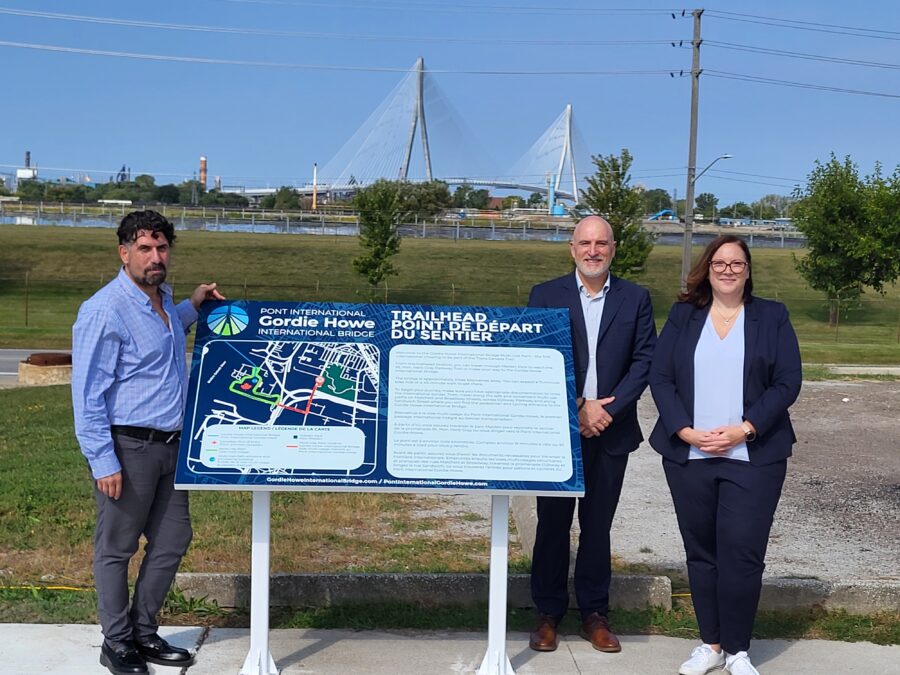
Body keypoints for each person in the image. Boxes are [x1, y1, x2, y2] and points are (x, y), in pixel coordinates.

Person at [72, 210, 224, 675]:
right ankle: (116, 643)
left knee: (174, 537)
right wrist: (103, 461)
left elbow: (159, 340)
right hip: (128, 449)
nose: (155, 257)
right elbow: (87, 392)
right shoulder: (105, 309)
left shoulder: (161, 300)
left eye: (161, 248)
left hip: (172, 448)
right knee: (116, 548)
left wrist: (193, 306)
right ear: (124, 253)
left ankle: (143, 631)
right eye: (144, 249)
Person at [649, 235, 801, 675]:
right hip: (690, 455)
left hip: (752, 456)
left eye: (737, 263)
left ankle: (738, 650)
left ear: (749, 270)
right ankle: (710, 644)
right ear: (708, 268)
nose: (728, 270)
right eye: (720, 262)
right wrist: (685, 430)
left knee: (743, 552)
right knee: (701, 552)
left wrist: (744, 428)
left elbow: (787, 382)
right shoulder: (684, 315)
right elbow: (661, 378)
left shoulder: (772, 316)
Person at [527, 216, 657, 653]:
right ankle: (547, 613)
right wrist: (578, 407)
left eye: (601, 243)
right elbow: (538, 356)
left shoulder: (636, 299)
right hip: (561, 430)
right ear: (572, 248)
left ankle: (594, 614)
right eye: (585, 243)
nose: (593, 250)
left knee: (598, 526)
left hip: (612, 429)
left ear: (613, 249)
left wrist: (608, 408)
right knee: (552, 525)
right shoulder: (545, 295)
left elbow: (644, 361)